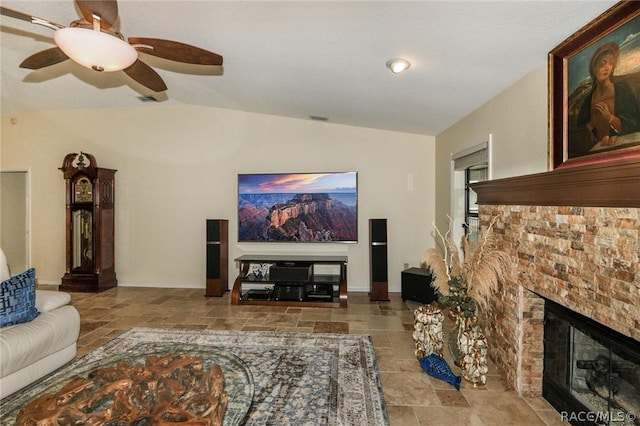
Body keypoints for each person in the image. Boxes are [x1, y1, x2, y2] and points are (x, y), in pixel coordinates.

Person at [577, 41, 640, 147]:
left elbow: (635, 122)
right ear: (594, 68)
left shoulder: (622, 91)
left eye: (611, 63)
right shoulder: (589, 99)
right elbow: (582, 127)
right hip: (599, 147)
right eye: (602, 64)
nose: (607, 68)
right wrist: (592, 127)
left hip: (624, 144)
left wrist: (610, 118)